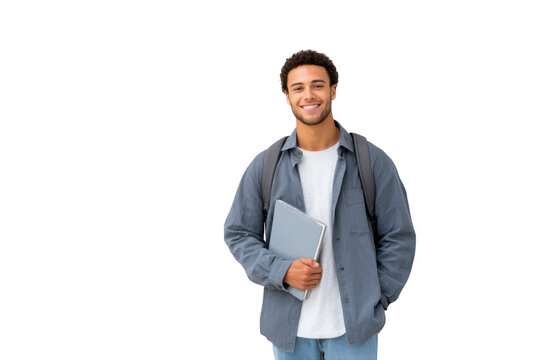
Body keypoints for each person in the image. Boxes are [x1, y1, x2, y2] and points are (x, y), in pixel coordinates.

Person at [224, 49, 415, 359]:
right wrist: (282, 271)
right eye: (298, 87)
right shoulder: (266, 165)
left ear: (333, 90)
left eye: (318, 85)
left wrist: (376, 298)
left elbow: (399, 236)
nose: (308, 95)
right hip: (290, 334)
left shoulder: (372, 162)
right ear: (286, 95)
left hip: (355, 333)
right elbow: (238, 233)